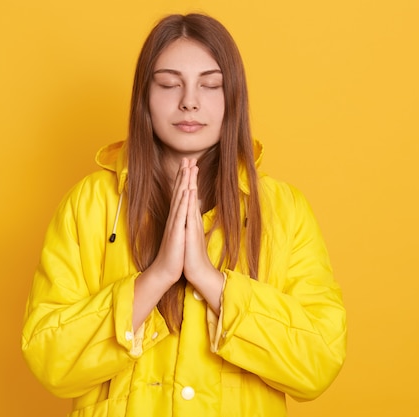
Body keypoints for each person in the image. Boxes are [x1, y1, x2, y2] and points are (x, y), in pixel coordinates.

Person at [22, 13, 346, 417]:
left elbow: (319, 361)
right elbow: (48, 358)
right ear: (145, 96)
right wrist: (155, 277)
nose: (189, 101)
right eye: (169, 84)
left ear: (234, 99)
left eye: (210, 85)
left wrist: (212, 282)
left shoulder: (283, 210)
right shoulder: (89, 204)